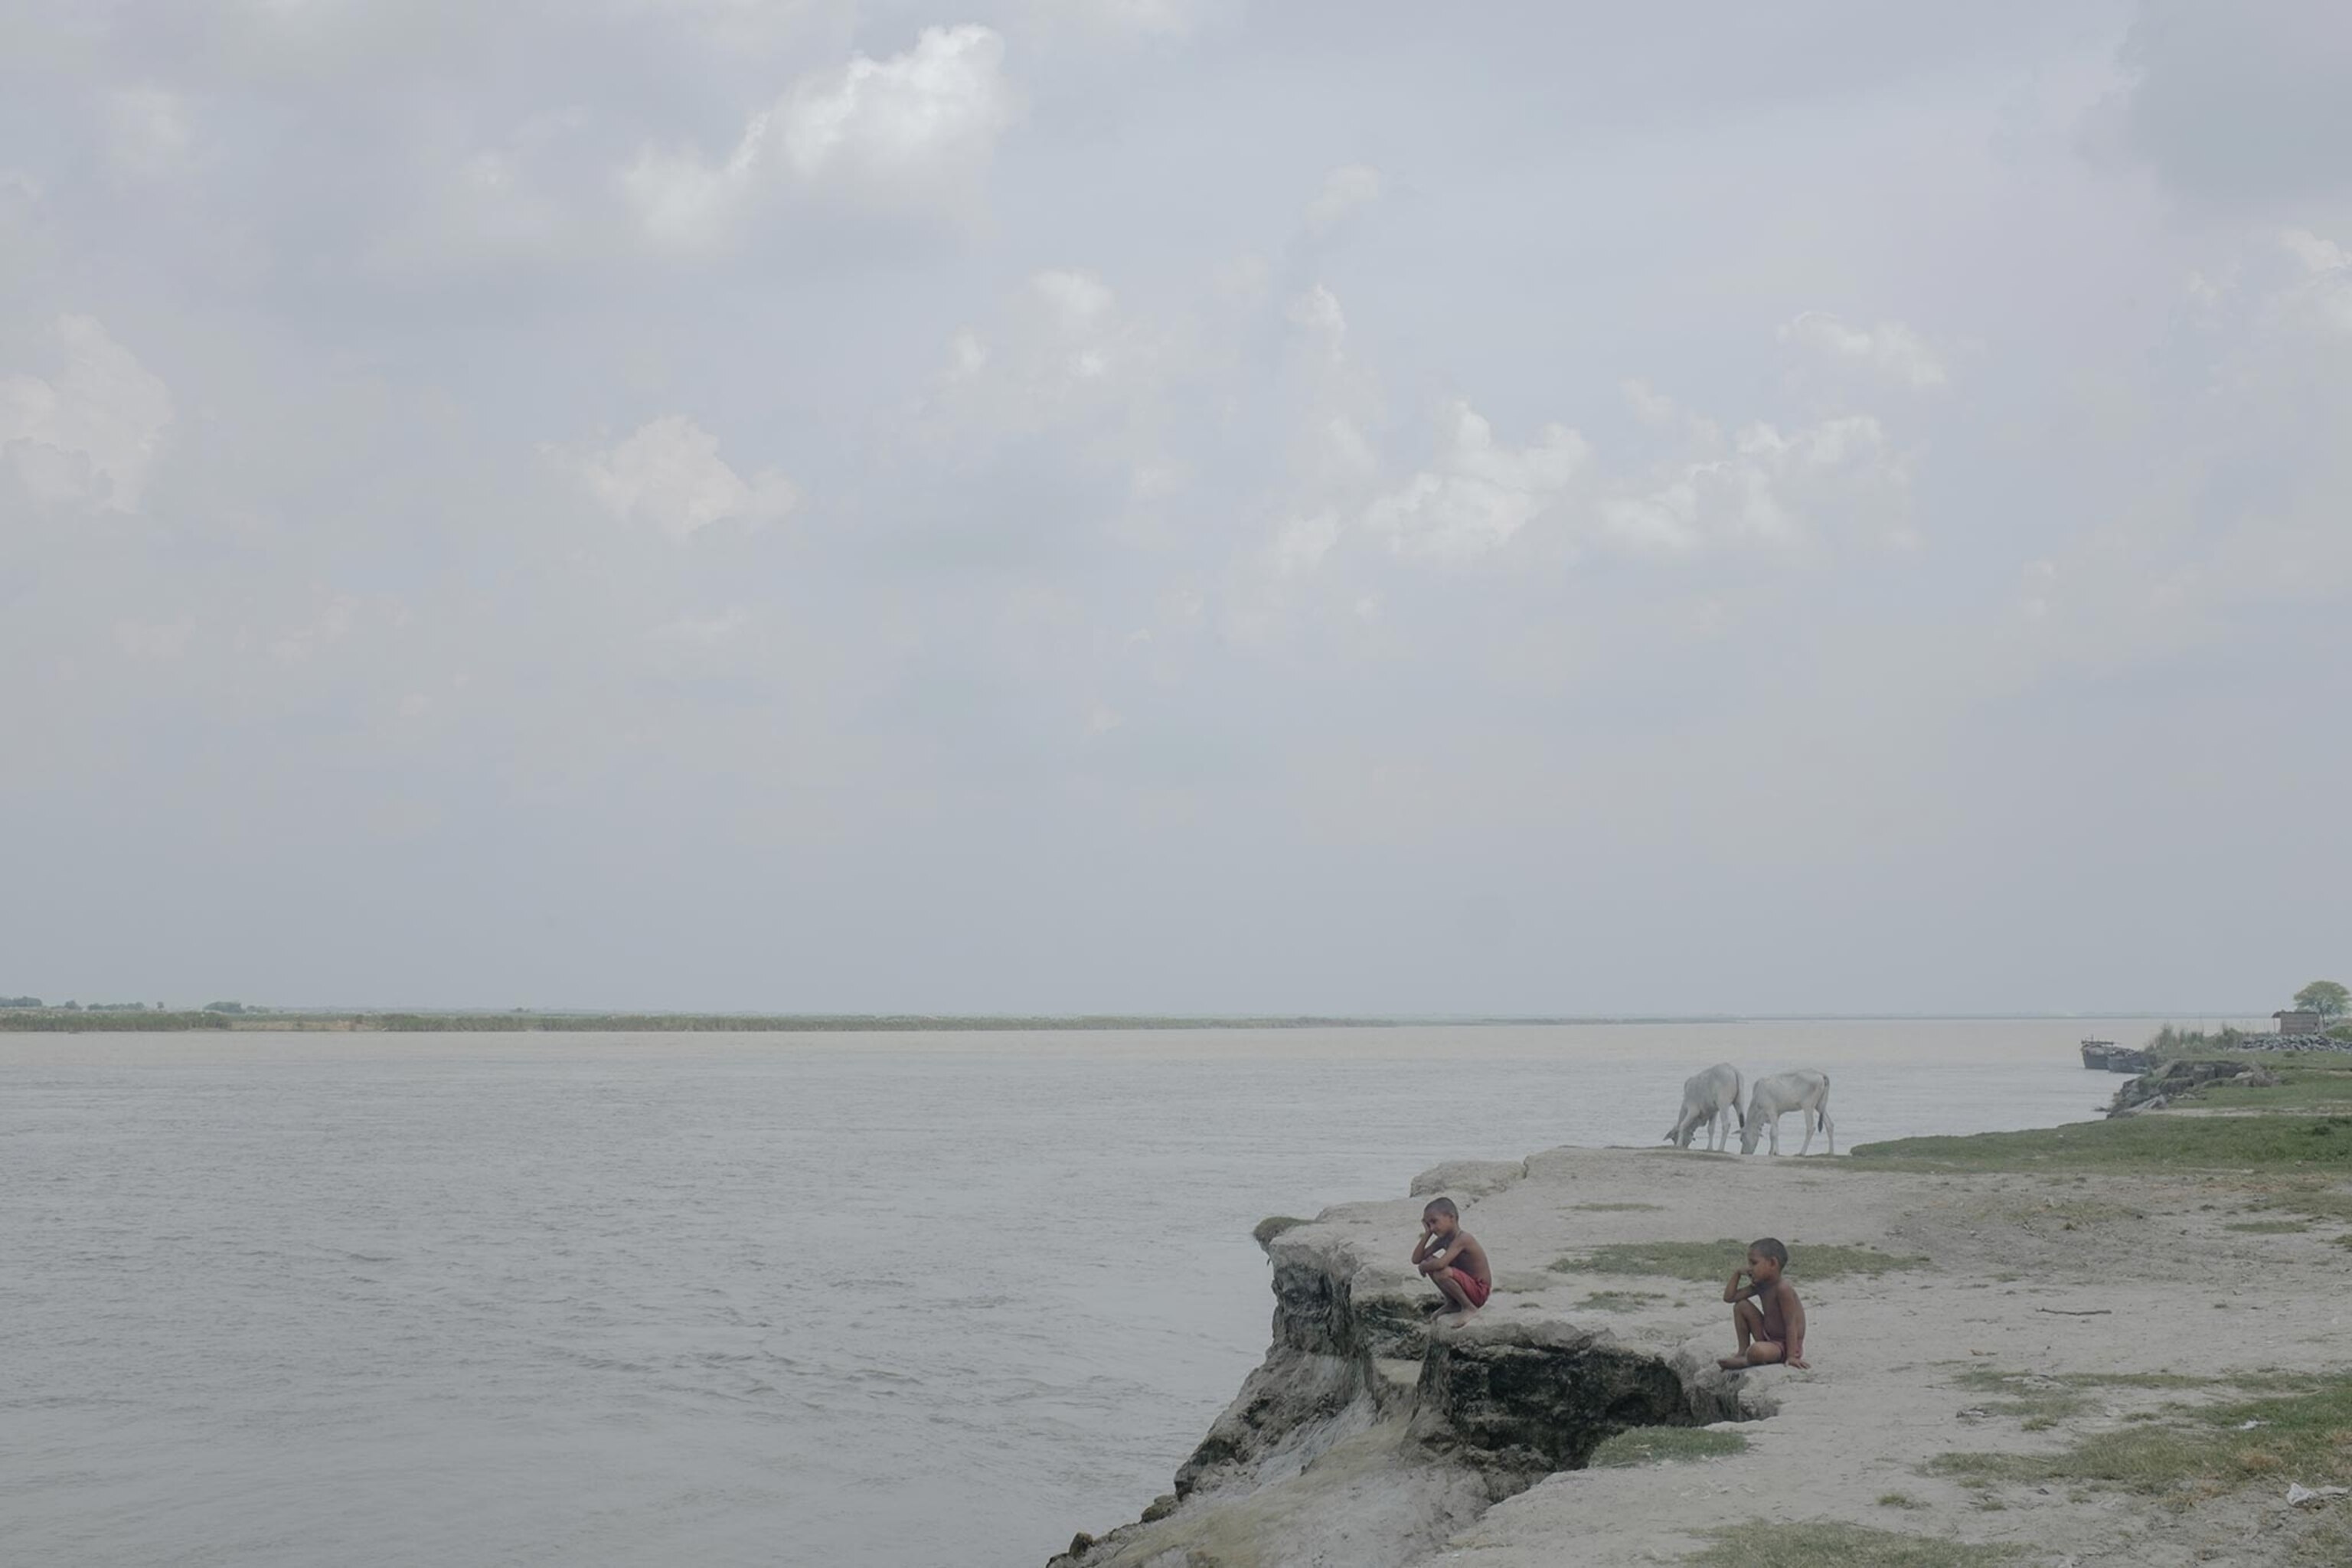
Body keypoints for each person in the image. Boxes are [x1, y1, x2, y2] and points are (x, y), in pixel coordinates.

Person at [1720, 1237, 1808, 1370]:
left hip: (1784, 1345)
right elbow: (1730, 1298)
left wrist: (1791, 1356)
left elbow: (1791, 1325)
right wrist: (1737, 1273)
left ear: (1772, 1263)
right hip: (1767, 1337)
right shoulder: (1761, 1285)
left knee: (1756, 1351)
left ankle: (1747, 1361)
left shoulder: (1783, 1289)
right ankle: (1742, 1352)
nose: (1749, 1268)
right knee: (1741, 1306)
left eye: (1754, 1263)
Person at [1410, 1196, 1491, 1317]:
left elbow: (1441, 1264)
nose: (1432, 1228)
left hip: (1479, 1291)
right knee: (1428, 1260)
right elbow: (1416, 1259)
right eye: (1428, 1224)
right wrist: (1427, 1234)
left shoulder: (1463, 1238)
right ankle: (1453, 1303)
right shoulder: (1444, 1239)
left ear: (1451, 1218)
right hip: (1467, 1287)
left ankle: (1469, 1308)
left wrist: (1424, 1267)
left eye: (1434, 1222)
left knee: (1441, 1272)